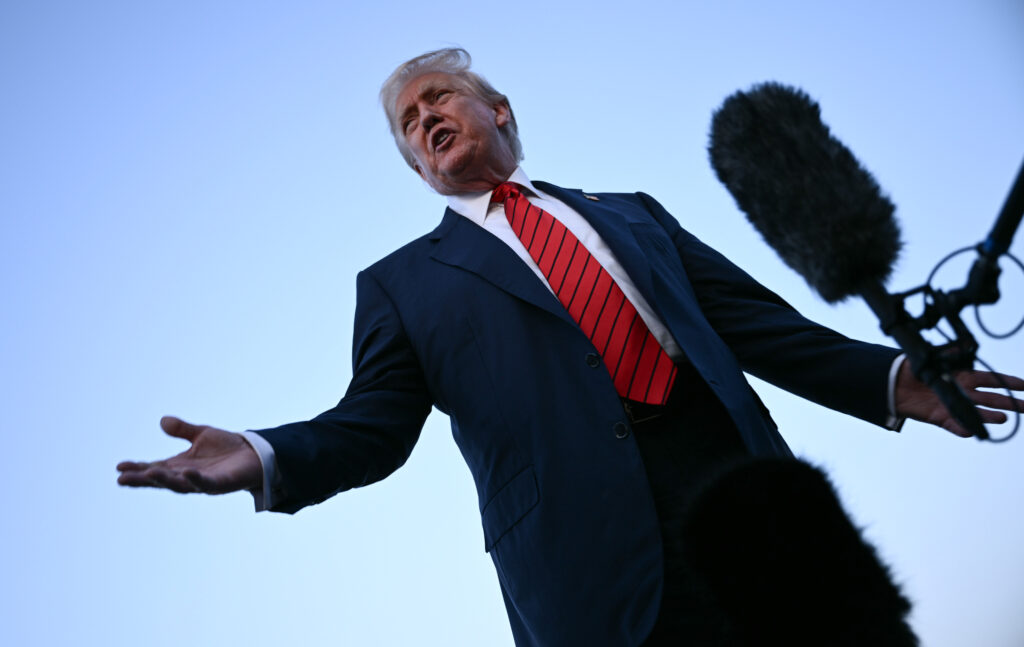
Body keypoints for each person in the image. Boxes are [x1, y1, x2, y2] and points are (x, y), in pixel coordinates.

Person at [117, 48, 1023, 646]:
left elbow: (756, 324)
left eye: (437, 98)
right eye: (409, 124)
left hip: (751, 496)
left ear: (498, 110)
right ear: (418, 166)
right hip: (588, 562)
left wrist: (893, 379)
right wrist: (264, 452)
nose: (425, 119)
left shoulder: (634, 215)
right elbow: (373, 424)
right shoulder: (401, 284)